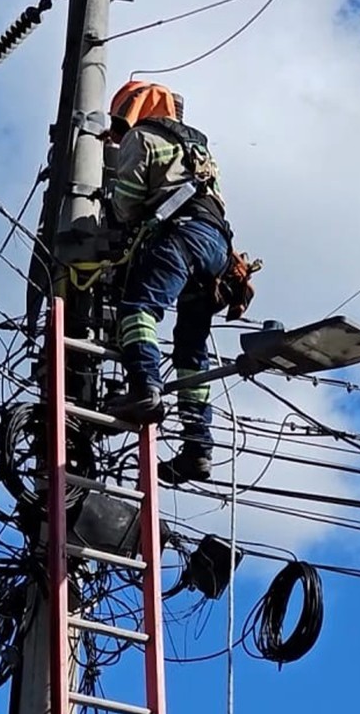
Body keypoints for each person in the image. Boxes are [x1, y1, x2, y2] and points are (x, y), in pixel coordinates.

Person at [105, 81, 235, 485]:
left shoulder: (142, 137)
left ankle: (145, 387)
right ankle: (197, 448)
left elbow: (126, 201)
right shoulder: (199, 150)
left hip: (180, 236)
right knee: (191, 346)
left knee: (139, 309)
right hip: (218, 249)